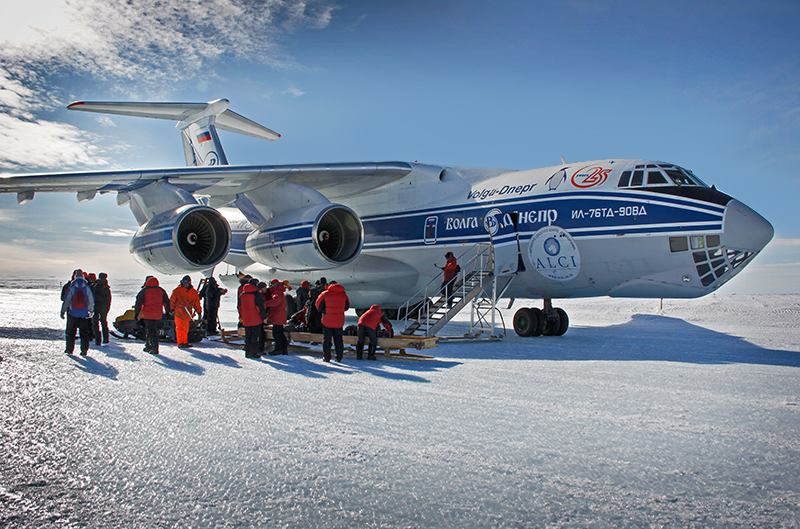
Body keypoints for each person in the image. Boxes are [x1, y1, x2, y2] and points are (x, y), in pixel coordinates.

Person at [61, 269, 94, 356]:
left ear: (75, 276)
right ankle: (84, 350)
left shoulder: (72, 286)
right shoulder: (86, 286)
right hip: (84, 314)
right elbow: (91, 300)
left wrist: (63, 311)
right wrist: (91, 311)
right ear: (83, 276)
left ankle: (69, 350)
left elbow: (67, 300)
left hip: (72, 313)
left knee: (70, 333)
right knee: (84, 333)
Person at [134, 276, 171, 355]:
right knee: (152, 331)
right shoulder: (161, 290)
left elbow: (138, 303)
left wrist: (137, 313)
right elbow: (167, 302)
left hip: (148, 315)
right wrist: (168, 312)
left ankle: (154, 348)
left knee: (151, 331)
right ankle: (148, 346)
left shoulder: (144, 291)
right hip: (158, 315)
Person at [315, 281, 349, 362]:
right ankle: (339, 357)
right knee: (339, 340)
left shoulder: (325, 294)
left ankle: (327, 357)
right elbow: (347, 307)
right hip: (339, 320)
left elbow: (318, 306)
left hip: (327, 320)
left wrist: (325, 311)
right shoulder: (344, 295)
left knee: (327, 340)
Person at [170, 275, 202, 348]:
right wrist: (171, 310)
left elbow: (196, 303)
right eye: (184, 282)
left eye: (187, 282)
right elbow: (172, 301)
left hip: (187, 314)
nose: (185, 283)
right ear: (182, 282)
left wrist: (199, 312)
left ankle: (184, 342)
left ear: (190, 283)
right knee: (180, 328)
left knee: (185, 329)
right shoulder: (176, 290)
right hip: (179, 312)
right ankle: (181, 343)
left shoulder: (193, 292)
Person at [238, 280, 266, 358]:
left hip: (246, 318)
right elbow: (260, 307)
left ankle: (247, 353)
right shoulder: (257, 294)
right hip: (255, 318)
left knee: (248, 336)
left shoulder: (242, 294)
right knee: (255, 337)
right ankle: (254, 353)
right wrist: (264, 317)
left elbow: (240, 307)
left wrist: (241, 316)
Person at [265, 279, 289, 356]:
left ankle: (278, 349)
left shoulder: (277, 292)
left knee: (277, 334)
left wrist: (265, 303)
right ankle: (283, 349)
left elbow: (276, 302)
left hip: (277, 315)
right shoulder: (279, 291)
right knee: (280, 333)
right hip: (279, 315)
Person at [92, 272, 112, 346]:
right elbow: (109, 299)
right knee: (104, 323)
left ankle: (98, 340)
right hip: (104, 307)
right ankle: (106, 339)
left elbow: (92, 297)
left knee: (95, 324)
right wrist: (107, 308)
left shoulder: (95, 286)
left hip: (96, 306)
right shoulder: (106, 287)